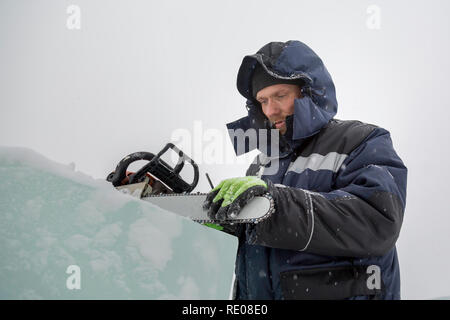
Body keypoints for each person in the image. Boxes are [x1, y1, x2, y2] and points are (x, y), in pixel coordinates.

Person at [202, 40, 408, 300]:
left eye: (280, 96)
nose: (270, 110)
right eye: (262, 100)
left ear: (309, 92)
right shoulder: (262, 165)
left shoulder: (362, 141)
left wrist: (276, 204)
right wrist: (227, 224)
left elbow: (378, 221)